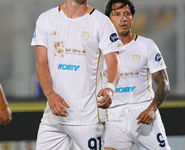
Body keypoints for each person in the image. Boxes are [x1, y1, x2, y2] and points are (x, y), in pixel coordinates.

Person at [31, 0, 125, 149]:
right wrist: (49, 94)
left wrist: (110, 88)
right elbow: (41, 64)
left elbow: (114, 62)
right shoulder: (46, 18)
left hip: (88, 118)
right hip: (54, 117)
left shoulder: (101, 22)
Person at [103, 0, 171, 149]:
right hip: (113, 118)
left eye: (127, 14)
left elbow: (163, 83)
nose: (123, 18)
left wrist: (152, 109)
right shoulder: (99, 50)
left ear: (132, 18)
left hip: (144, 114)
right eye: (117, 14)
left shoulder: (146, 45)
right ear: (108, 19)